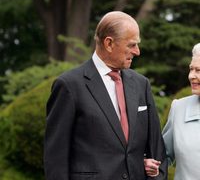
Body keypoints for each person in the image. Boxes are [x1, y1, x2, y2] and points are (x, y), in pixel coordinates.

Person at [44, 11, 167, 180]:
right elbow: (55, 159)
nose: (137, 52)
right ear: (109, 43)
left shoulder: (141, 84)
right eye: (131, 45)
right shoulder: (69, 86)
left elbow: (157, 150)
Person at [145, 43, 200, 180]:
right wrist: (146, 163)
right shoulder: (179, 108)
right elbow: (161, 157)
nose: (191, 76)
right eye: (191, 69)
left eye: (198, 70)